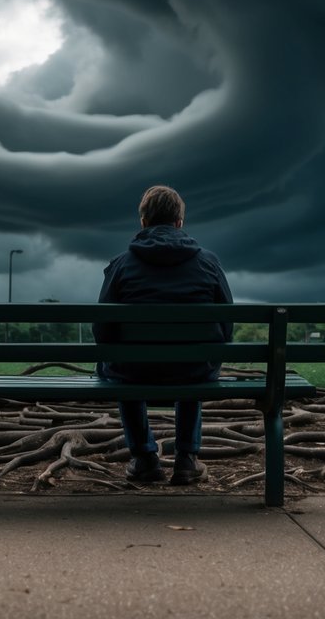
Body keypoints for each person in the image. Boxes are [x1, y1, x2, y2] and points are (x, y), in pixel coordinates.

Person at [93, 185, 233, 485]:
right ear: (179, 222)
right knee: (197, 358)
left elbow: (102, 328)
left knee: (117, 361)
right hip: (193, 368)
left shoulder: (121, 265)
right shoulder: (208, 263)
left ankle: (144, 458)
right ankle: (186, 459)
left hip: (133, 370)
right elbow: (226, 323)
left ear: (143, 221)